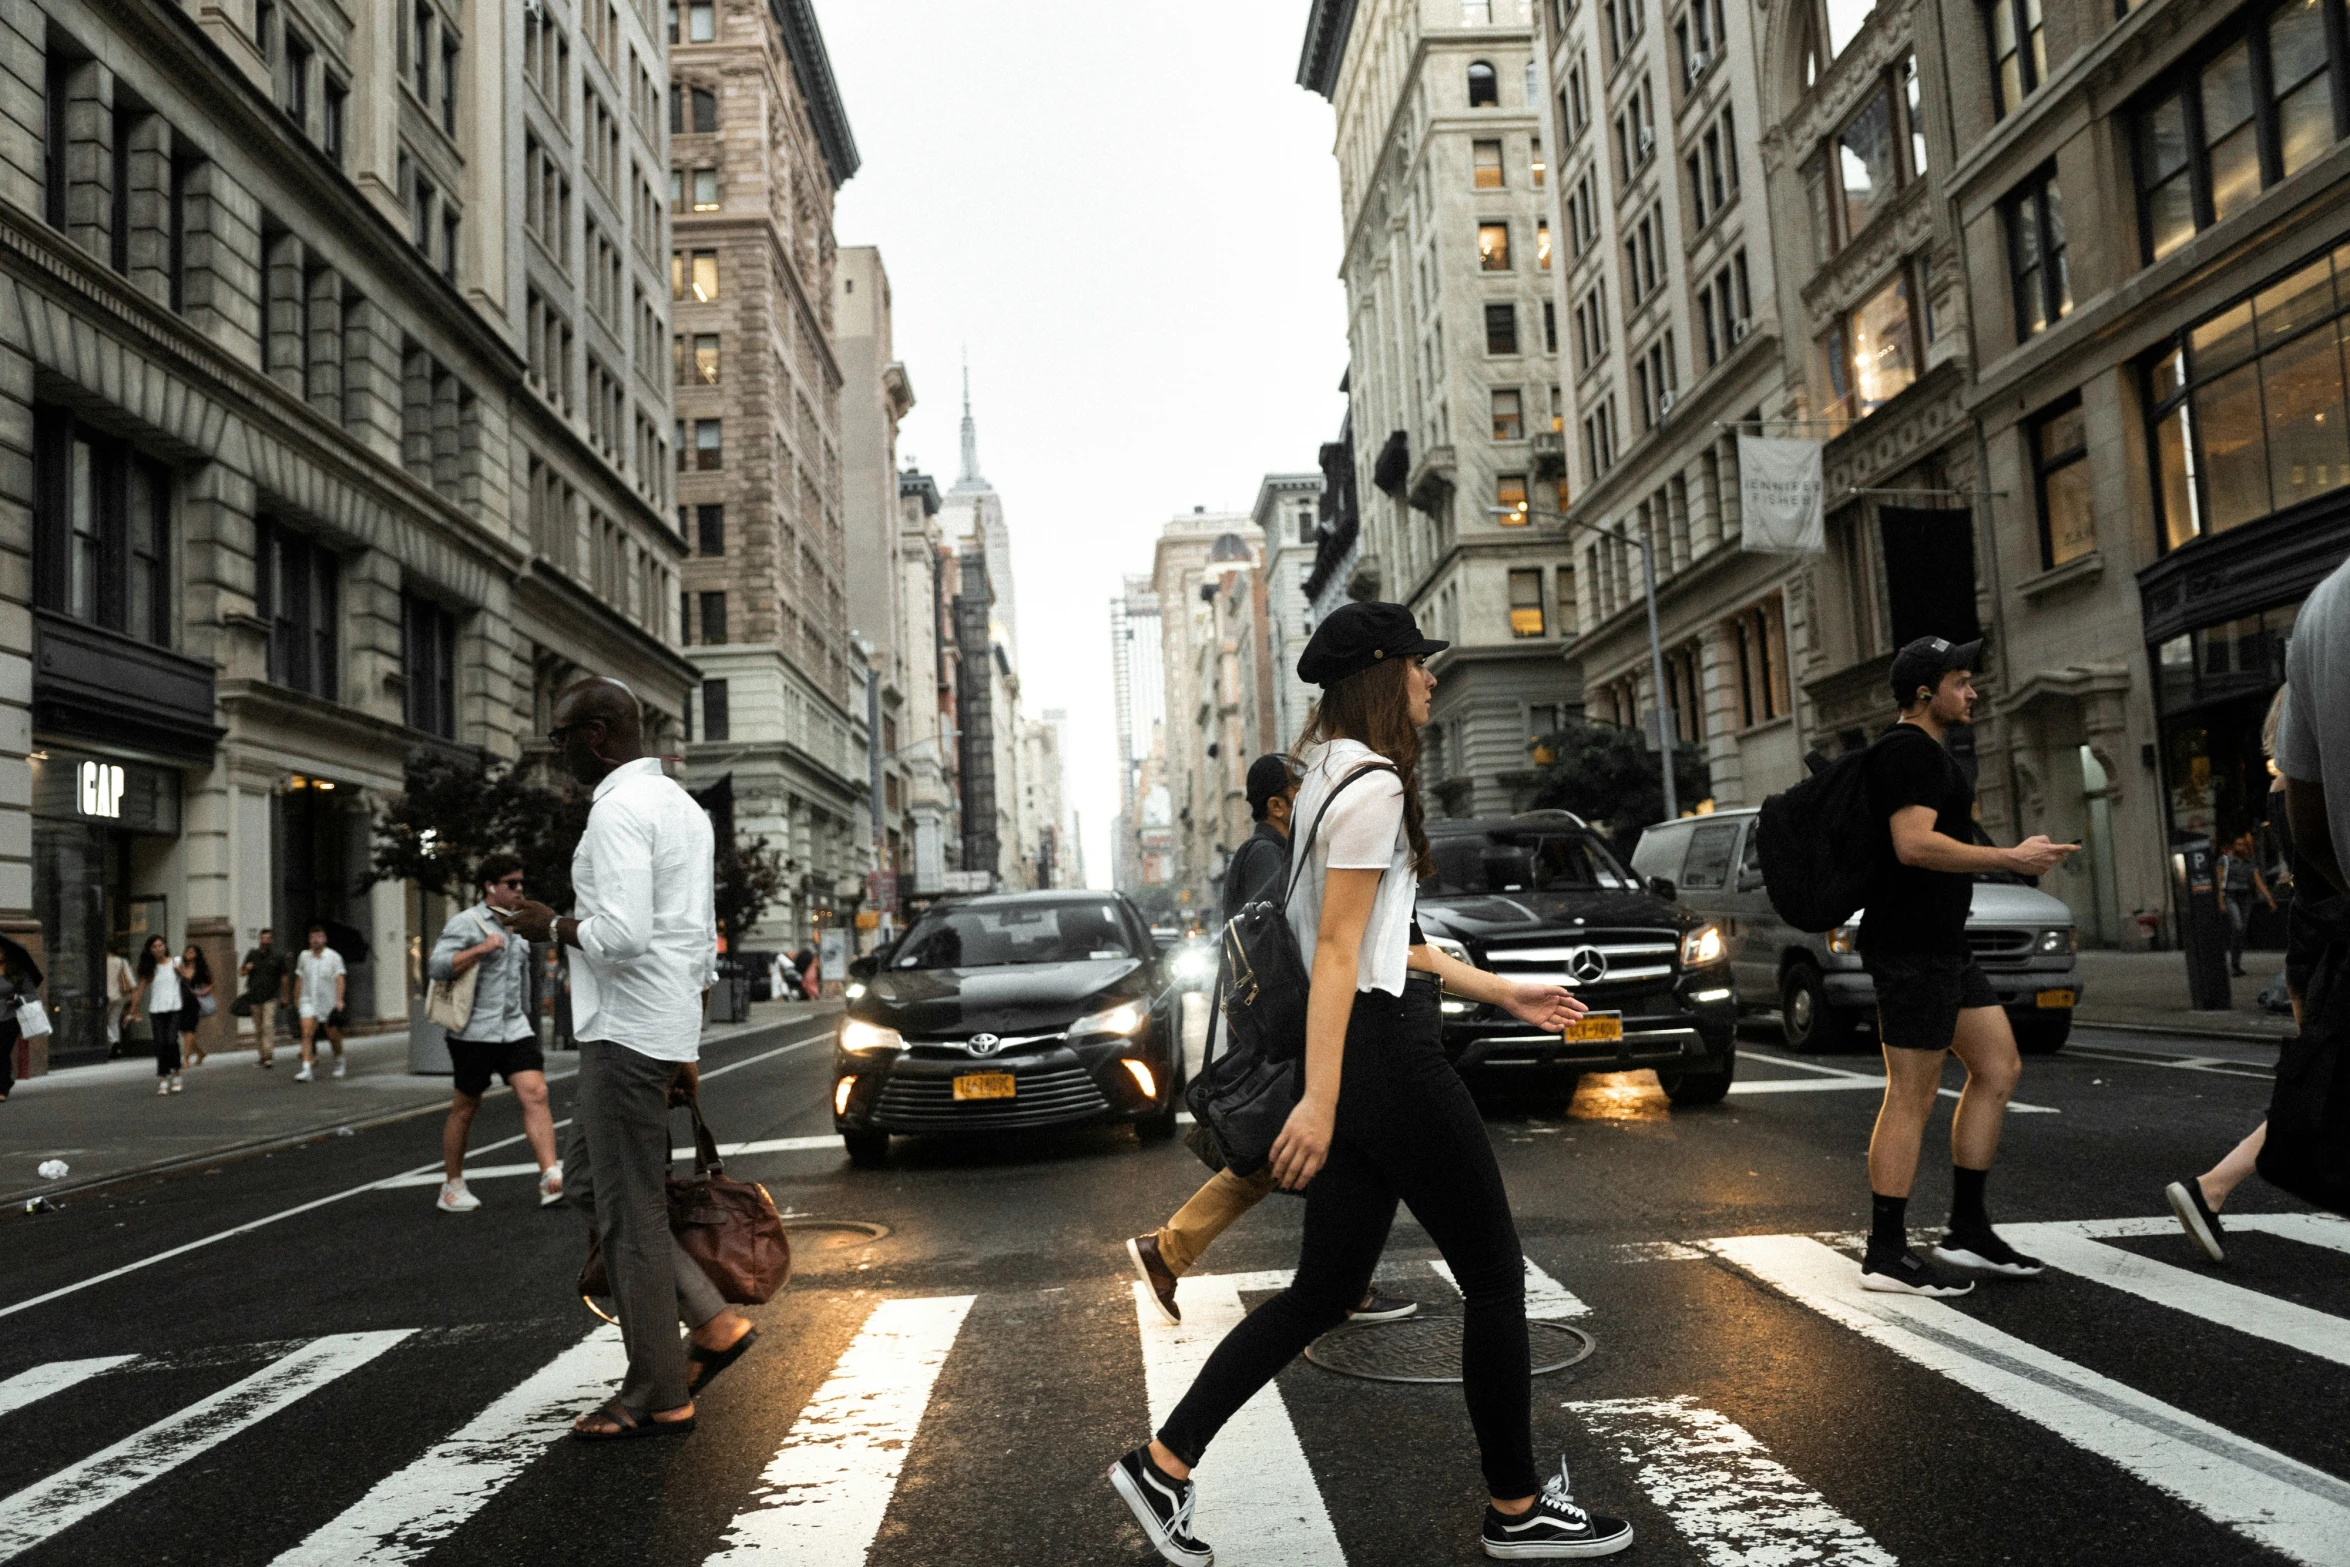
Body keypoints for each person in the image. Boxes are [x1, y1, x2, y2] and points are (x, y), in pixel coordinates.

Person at [1109, 603, 1633, 1565]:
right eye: (1419, 664)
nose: (1434, 677)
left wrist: (1502, 988)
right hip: (1385, 1055)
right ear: (1382, 673)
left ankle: (1163, 1462)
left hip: (1364, 1049)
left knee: (1323, 1288)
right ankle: (1516, 1509)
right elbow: (1343, 950)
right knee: (1495, 1277)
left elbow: (1389, 938)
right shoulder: (1375, 784)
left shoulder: (1322, 782)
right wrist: (1320, 1096)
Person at [508, 677, 755, 1441]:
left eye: (560, 738)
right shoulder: (683, 806)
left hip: (623, 1033)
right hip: (658, 1028)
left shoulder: (617, 811)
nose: (556, 753)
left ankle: (657, 1389)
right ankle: (711, 1324)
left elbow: (623, 936)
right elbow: (698, 940)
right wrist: (687, 1044)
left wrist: (550, 925)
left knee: (631, 1215)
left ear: (596, 736)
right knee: (587, 1181)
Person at [1127, 752, 1418, 1327]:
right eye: (1301, 787)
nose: (1313, 794)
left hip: (1289, 1022)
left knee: (1286, 1155)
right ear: (1280, 805)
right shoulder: (1269, 852)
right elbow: (1277, 935)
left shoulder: (1264, 851)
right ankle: (1342, 1284)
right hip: (1294, 1024)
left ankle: (1170, 1251)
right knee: (1316, 1150)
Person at [1853, 637, 2077, 1297]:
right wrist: (2010, 857)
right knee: (1912, 1093)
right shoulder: (1908, 753)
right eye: (1960, 680)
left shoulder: (1928, 753)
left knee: (1999, 1066)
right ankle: (1886, 1251)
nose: (1973, 691)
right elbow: (1913, 845)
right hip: (1911, 948)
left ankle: (1967, 1227)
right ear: (1926, 694)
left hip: (1943, 944)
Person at [433, 854, 563, 1213]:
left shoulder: (520, 927)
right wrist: (480, 949)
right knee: (465, 1107)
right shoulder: (466, 923)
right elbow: (438, 965)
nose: (520, 890)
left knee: (536, 1093)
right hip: (473, 1032)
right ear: (491, 887)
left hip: (514, 1028)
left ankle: (549, 1176)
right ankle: (452, 1186)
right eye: (512, 884)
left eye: (522, 883)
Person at [132, 934, 190, 1096]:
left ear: (165, 946)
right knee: (160, 1044)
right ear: (150, 950)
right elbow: (140, 989)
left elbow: (188, 977)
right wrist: (132, 1010)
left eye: (160, 945)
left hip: (174, 1008)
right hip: (156, 1009)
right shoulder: (150, 968)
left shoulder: (175, 962)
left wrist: (181, 970)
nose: (158, 949)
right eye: (155, 947)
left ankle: (176, 1073)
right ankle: (164, 1077)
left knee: (171, 1041)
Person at [2217, 830, 2275, 978]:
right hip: (2231, 896)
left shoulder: (2251, 862)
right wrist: (2221, 901)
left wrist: (2268, 898)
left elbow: (2258, 881)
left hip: (2246, 897)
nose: (2241, 847)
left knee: (2242, 930)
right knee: (2237, 925)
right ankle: (2234, 962)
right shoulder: (2225, 861)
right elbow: (2219, 882)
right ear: (2233, 846)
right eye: (2238, 844)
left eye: (2243, 844)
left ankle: (2236, 962)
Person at [294, 925, 348, 1082]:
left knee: (333, 1035)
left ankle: (339, 1061)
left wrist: (339, 1000)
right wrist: (296, 998)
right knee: (306, 1032)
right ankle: (306, 1069)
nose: (314, 940)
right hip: (308, 1000)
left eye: (318, 937)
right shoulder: (304, 956)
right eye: (312, 937)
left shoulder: (333, 957)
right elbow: (300, 978)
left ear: (324, 939)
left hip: (328, 1002)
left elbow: (339, 979)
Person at [239, 928, 288, 1069]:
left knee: (268, 1025)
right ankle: (262, 1056)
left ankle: (268, 1056)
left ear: (271, 940)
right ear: (259, 939)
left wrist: (285, 996)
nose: (266, 941)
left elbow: (284, 977)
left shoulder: (277, 957)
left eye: (268, 938)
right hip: (254, 997)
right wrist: (247, 968)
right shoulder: (252, 954)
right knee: (258, 1028)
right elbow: (241, 972)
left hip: (270, 997)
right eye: (263, 938)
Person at [177, 944, 215, 1066]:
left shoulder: (200, 969)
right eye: (187, 951)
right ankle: (200, 1052)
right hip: (180, 1000)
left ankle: (186, 1059)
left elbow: (210, 984)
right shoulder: (180, 967)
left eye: (192, 952)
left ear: (197, 954)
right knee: (184, 1031)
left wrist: (204, 992)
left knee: (189, 1030)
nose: (189, 953)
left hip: (193, 1002)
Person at [104, 943, 134, 1058]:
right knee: (114, 1021)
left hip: (106, 995)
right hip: (121, 995)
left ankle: (113, 1041)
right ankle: (115, 1050)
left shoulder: (104, 961)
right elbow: (130, 980)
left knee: (102, 1022)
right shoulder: (122, 961)